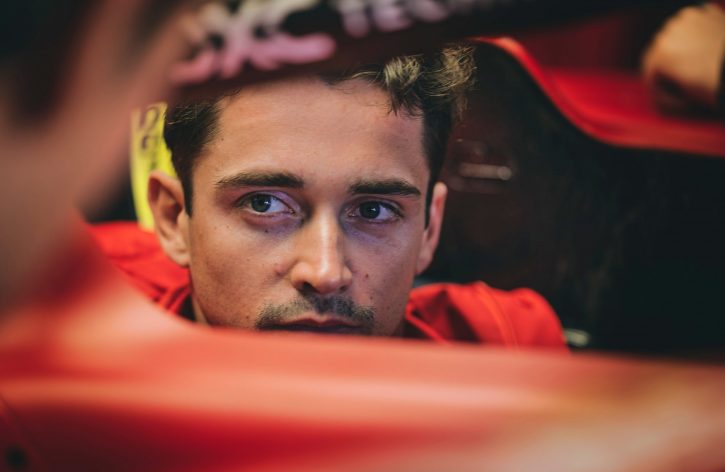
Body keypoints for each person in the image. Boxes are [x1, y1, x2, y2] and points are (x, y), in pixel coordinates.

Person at [92, 47, 565, 347]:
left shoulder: (505, 349)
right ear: (173, 217)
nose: (325, 273)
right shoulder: (68, 318)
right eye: (264, 204)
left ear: (429, 228)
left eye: (374, 210)